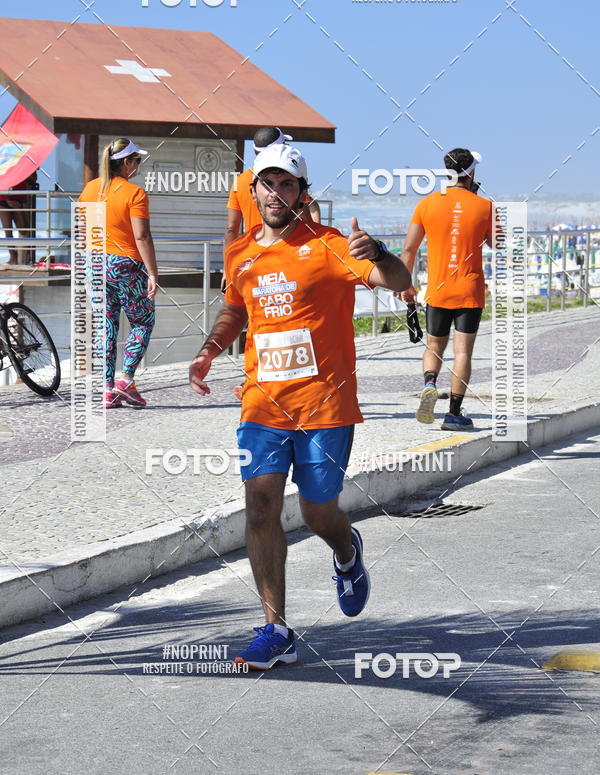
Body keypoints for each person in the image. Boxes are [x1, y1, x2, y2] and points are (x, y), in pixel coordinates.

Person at [189, 143, 411, 670]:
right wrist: (209, 350)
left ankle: (346, 551)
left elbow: (401, 283)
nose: (276, 193)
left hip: (325, 406)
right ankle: (276, 630)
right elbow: (235, 308)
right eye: (267, 183)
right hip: (261, 405)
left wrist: (379, 251)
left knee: (317, 513)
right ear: (253, 192)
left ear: (302, 193)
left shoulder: (331, 246)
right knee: (261, 505)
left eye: (286, 184)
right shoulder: (240, 252)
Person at [400, 148, 494, 431]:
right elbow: (499, 244)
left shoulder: (427, 203)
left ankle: (430, 383)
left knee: (434, 346)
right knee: (462, 352)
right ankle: (453, 413)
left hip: (438, 290)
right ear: (471, 172)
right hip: (469, 290)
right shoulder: (485, 206)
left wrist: (406, 285)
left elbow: (409, 249)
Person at [224, 126, 320, 400]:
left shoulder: (242, 181)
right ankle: (289, 382)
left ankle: (253, 380)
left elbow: (231, 228)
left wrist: (229, 268)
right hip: (288, 256)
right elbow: (308, 215)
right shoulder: (289, 179)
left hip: (249, 261)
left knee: (256, 322)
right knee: (288, 320)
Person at [78, 138, 158, 408]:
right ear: (126, 162)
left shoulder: (90, 189)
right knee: (143, 321)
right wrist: (153, 273)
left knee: (106, 326)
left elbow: (82, 230)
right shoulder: (135, 194)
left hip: (93, 263)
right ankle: (125, 380)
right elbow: (142, 236)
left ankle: (107, 390)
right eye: (137, 160)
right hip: (125, 264)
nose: (138, 165)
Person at [0, 170, 38, 265]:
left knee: (23, 230)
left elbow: (33, 178)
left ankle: (18, 258)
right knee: (8, 231)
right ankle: (13, 258)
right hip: (3, 196)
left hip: (18, 196)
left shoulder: (24, 164)